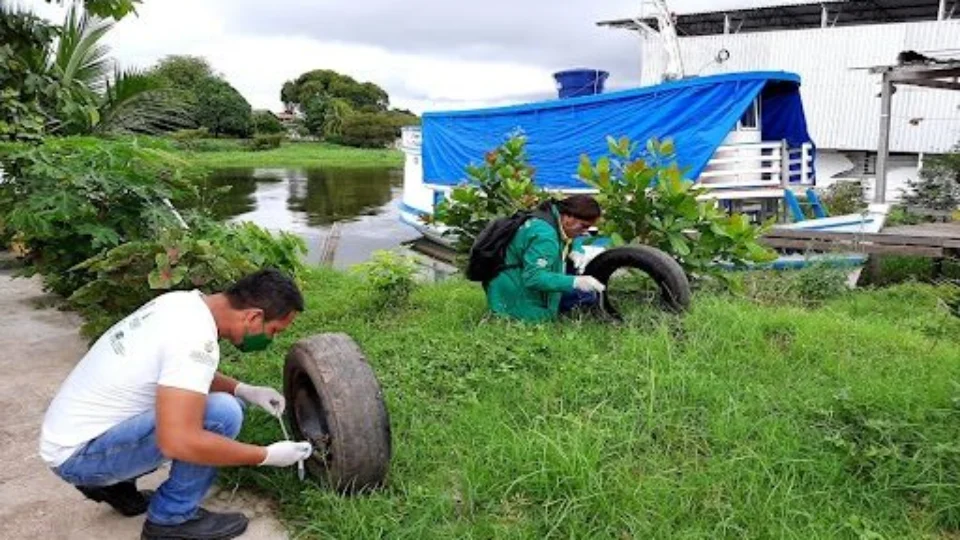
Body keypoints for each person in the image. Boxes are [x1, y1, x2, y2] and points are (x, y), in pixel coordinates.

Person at [38, 269, 313, 540]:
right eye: (274, 331)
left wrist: (244, 390)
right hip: (79, 457)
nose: (271, 339)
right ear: (253, 316)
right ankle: (171, 519)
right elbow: (177, 441)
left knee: (231, 402)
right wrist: (266, 455)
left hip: (76, 437)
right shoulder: (194, 339)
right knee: (222, 414)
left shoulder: (184, 304)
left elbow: (182, 373)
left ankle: (117, 486)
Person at [485, 195, 606, 322]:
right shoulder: (545, 237)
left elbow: (568, 236)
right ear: (568, 217)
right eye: (584, 226)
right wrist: (575, 282)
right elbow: (533, 278)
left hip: (507, 278)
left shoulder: (550, 217)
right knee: (580, 299)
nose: (585, 232)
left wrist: (576, 249)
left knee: (582, 294)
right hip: (513, 292)